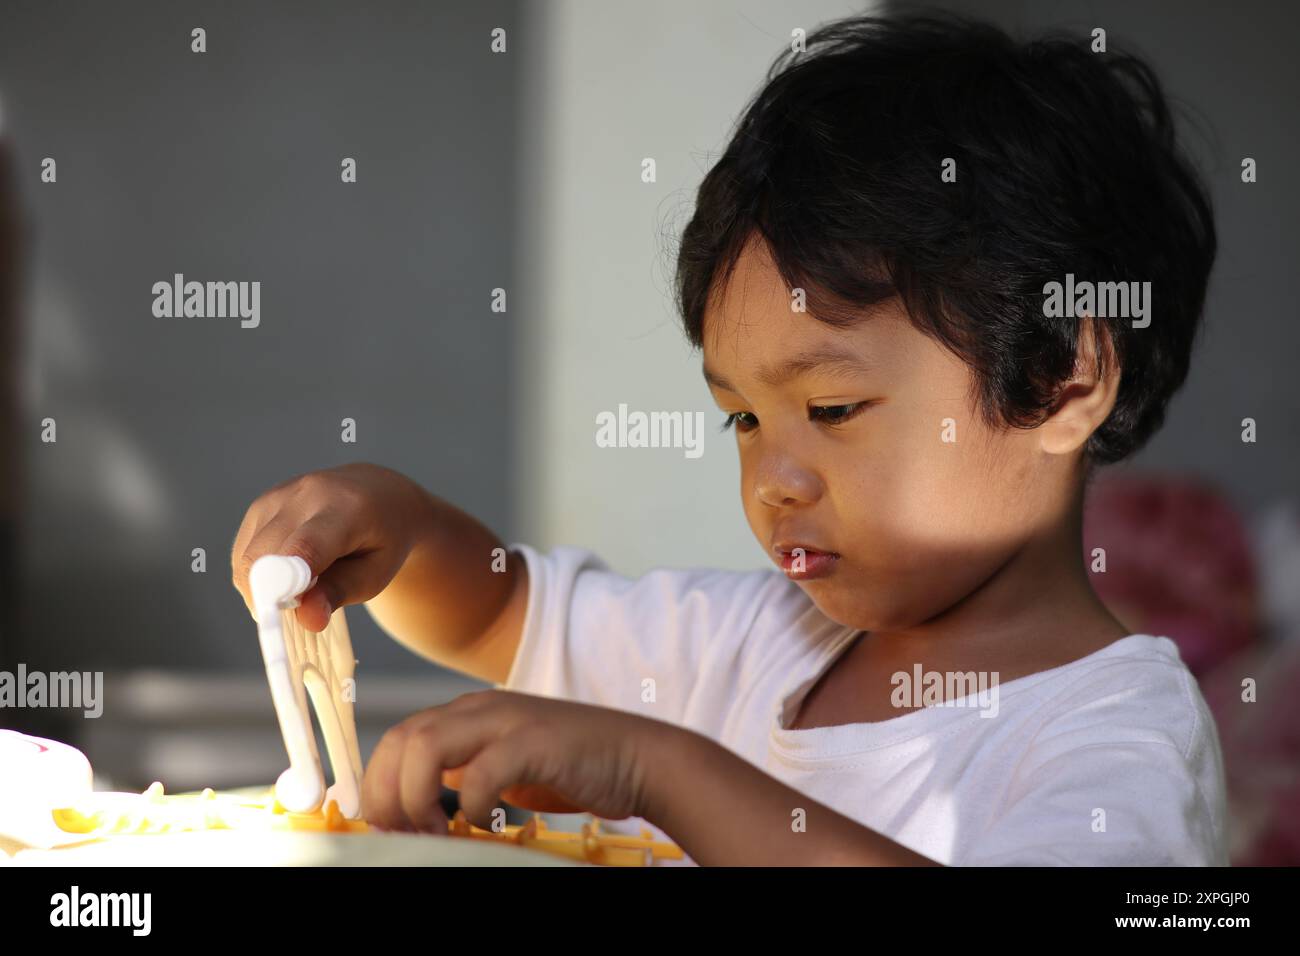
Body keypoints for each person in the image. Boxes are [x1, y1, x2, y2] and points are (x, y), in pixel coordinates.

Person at [231, 12, 1225, 865]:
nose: (773, 479)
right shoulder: (758, 643)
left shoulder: (1115, 732)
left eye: (831, 411)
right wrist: (394, 525)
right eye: (742, 418)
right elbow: (503, 614)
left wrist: (652, 768)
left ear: (1062, 378)